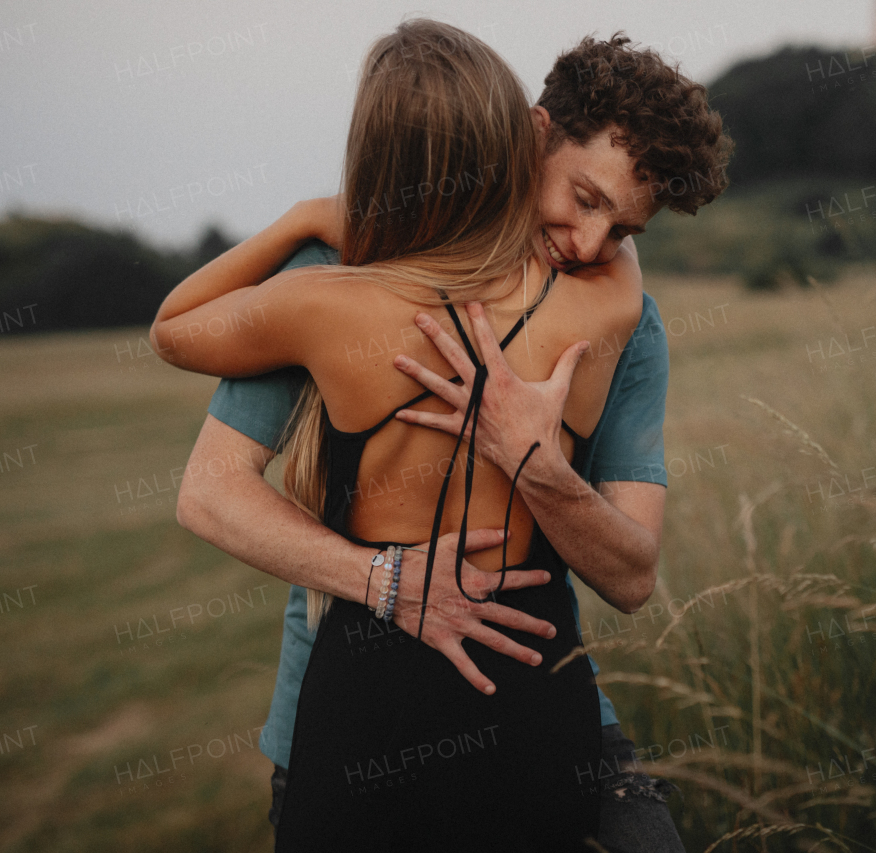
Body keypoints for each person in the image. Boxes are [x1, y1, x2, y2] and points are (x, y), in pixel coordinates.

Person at [162, 22, 730, 852]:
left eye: (625, 233)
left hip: (514, 693)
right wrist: (388, 580)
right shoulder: (350, 268)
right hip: (366, 696)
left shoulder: (333, 295)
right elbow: (210, 491)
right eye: (585, 200)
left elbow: (633, 574)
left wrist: (530, 458)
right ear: (530, 133)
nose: (591, 247)